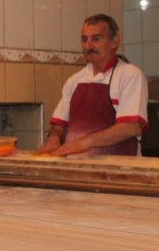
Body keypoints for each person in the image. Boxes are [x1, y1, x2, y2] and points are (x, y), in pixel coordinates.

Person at [36, 14, 148, 157]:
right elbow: (60, 125)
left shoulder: (130, 75)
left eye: (96, 39)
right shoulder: (74, 81)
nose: (88, 46)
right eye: (84, 40)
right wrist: (53, 139)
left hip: (119, 168)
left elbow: (131, 127)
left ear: (115, 41)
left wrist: (83, 143)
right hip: (76, 169)